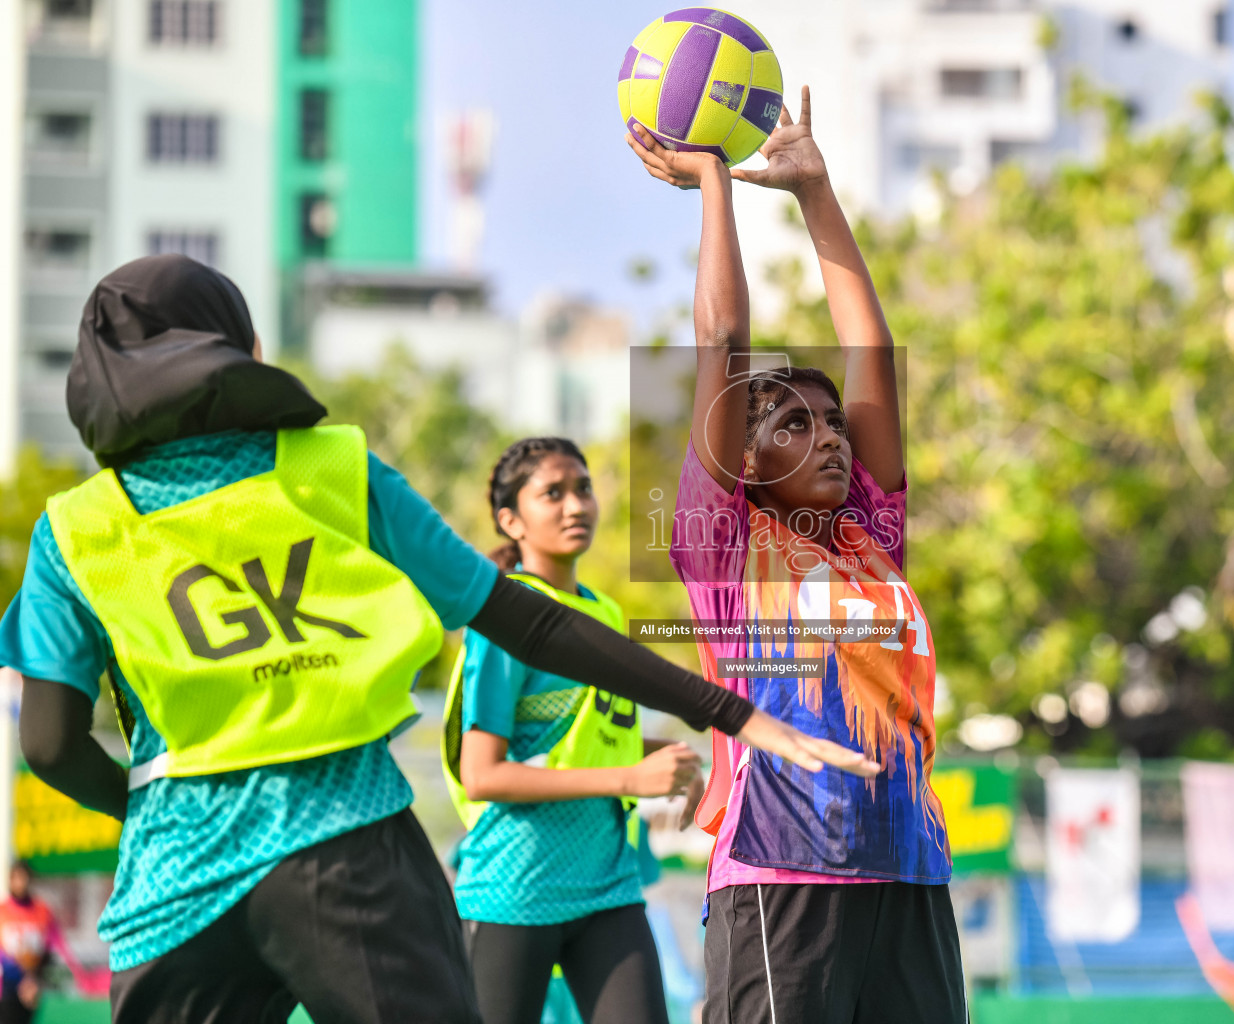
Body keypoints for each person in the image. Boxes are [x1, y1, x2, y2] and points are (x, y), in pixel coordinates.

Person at [0, 255, 879, 1024]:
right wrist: (729, 711)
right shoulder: (330, 466)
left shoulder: (76, 529)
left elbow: (46, 742)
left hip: (176, 874)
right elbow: (526, 619)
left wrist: (150, 808)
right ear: (236, 351)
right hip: (346, 846)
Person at [628, 87, 966, 1023]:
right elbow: (723, 342)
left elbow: (872, 351)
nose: (827, 436)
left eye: (831, 422)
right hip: (782, 873)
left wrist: (815, 191)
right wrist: (711, 184)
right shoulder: (725, 546)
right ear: (741, 455)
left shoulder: (872, 538)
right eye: (791, 421)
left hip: (908, 868)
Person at [442, 436, 702, 1024]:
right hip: (515, 889)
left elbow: (591, 742)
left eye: (583, 488)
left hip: (608, 885)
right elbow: (482, 774)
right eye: (552, 493)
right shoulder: (503, 617)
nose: (575, 505)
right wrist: (630, 777)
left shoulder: (605, 612)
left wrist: (673, 761)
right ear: (512, 521)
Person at [0, 862, 96, 1024]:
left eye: (24, 878)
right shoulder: (3, 912)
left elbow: (53, 947)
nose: (20, 883)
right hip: (8, 987)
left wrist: (33, 979)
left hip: (34, 986)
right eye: (16, 878)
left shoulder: (41, 911)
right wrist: (22, 980)